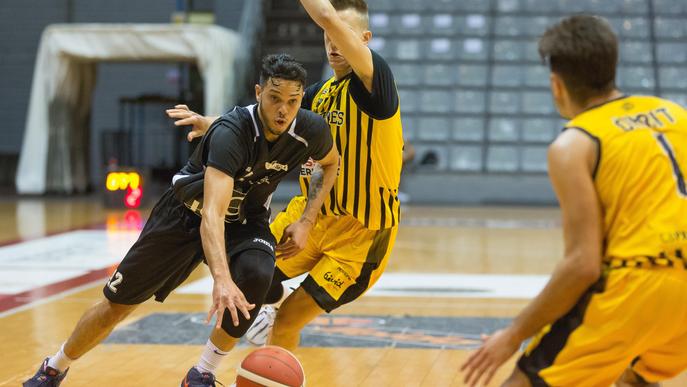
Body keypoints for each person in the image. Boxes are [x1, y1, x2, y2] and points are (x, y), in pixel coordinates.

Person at [24, 54, 339, 387]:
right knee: (116, 305)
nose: (282, 110)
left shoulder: (310, 129)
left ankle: (202, 373)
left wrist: (307, 219)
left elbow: (330, 162)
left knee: (256, 276)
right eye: (275, 99)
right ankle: (54, 367)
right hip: (187, 214)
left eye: (292, 102)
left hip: (246, 219)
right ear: (258, 92)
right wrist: (220, 278)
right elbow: (212, 214)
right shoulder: (232, 133)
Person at [461, 15, 687, 387]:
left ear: (556, 85)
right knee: (636, 377)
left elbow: (583, 265)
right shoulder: (675, 114)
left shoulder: (574, 143)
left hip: (635, 287)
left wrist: (513, 335)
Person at [171, 0, 404, 351]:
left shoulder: (376, 84)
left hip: (361, 235)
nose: (334, 42)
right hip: (313, 215)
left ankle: (274, 320)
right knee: (247, 275)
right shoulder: (319, 96)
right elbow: (263, 116)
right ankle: (251, 321)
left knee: (288, 322)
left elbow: (324, 13)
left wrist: (328, 19)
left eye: (344, 34)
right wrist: (214, 124)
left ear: (365, 40)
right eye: (328, 35)